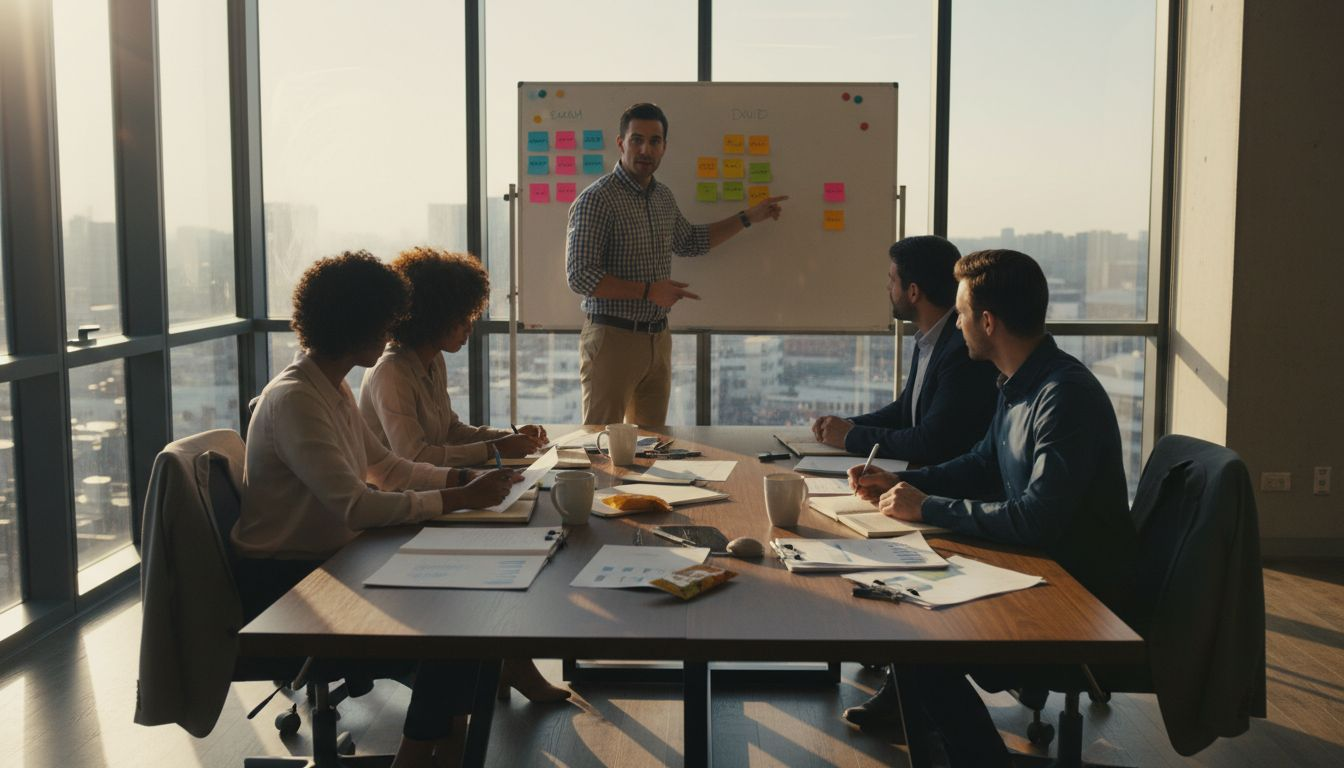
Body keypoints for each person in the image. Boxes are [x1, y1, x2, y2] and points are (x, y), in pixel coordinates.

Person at [845, 250, 1139, 766]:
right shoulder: (1016, 381)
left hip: (1071, 593)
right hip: (1035, 566)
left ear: (987, 321)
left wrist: (928, 506)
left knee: (919, 636)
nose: (956, 326)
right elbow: (982, 464)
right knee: (902, 604)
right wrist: (901, 481)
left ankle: (976, 755)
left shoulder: (1061, 396)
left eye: (960, 314)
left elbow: (1037, 517)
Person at [232, 251, 520, 768]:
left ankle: (448, 745)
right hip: (290, 584)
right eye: (384, 319)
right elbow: (357, 506)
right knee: (454, 631)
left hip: (331, 562)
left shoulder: (330, 386)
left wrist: (462, 480)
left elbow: (386, 467)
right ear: (358, 324)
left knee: (470, 614)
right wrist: (457, 496)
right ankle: (417, 757)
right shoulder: (297, 399)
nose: (392, 331)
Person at [359, 246, 569, 704]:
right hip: (400, 511)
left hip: (434, 493)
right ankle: (503, 665)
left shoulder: (429, 361)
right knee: (504, 550)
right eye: (463, 317)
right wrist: (494, 449)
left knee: (519, 532)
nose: (470, 327)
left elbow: (449, 430)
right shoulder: (392, 373)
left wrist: (506, 439)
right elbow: (413, 456)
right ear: (433, 316)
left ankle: (504, 662)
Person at [566, 102, 788, 426]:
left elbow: (690, 241)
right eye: (636, 140)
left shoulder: (663, 197)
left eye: (654, 141)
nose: (645, 149)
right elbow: (580, 275)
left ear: (664, 147)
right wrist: (648, 292)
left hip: (659, 340)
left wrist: (748, 217)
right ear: (620, 143)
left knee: (652, 449)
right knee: (602, 447)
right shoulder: (597, 199)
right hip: (613, 339)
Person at [810, 236, 997, 465]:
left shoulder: (962, 351)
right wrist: (846, 426)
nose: (888, 287)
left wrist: (850, 436)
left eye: (892, 280)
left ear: (913, 292)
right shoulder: (930, 338)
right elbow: (905, 411)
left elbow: (931, 441)